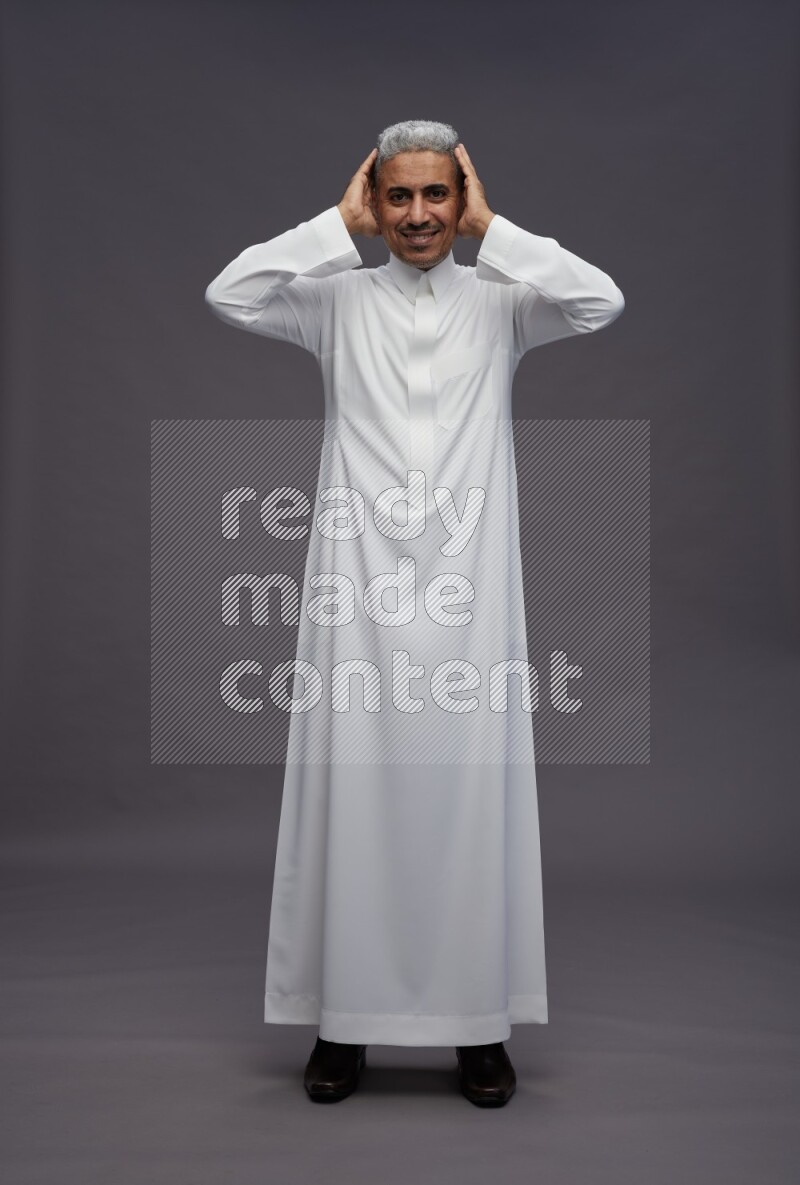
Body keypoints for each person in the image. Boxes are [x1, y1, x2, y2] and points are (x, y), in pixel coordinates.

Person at [205, 120, 624, 1106]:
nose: (419, 216)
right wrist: (331, 227)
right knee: (353, 797)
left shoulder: (501, 303)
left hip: (471, 595)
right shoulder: (333, 303)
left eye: (437, 196)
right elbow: (228, 293)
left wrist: (496, 231)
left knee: (468, 800)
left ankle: (476, 1029)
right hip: (355, 589)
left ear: (460, 198)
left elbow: (600, 301)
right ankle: (343, 1027)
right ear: (374, 200)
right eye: (399, 197)